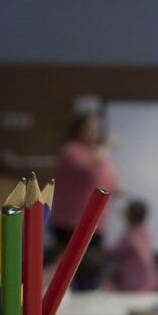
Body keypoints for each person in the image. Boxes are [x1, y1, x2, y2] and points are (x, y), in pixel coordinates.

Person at [51, 112, 118, 290]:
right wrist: (106, 149)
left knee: (91, 270)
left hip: (96, 222)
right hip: (70, 222)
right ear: (79, 129)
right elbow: (88, 169)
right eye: (90, 127)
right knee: (68, 271)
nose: (94, 132)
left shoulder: (101, 156)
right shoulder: (71, 150)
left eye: (97, 128)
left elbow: (107, 179)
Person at [107, 200, 158, 291]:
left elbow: (116, 252)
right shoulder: (144, 231)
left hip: (135, 282)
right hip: (148, 281)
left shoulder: (131, 234)